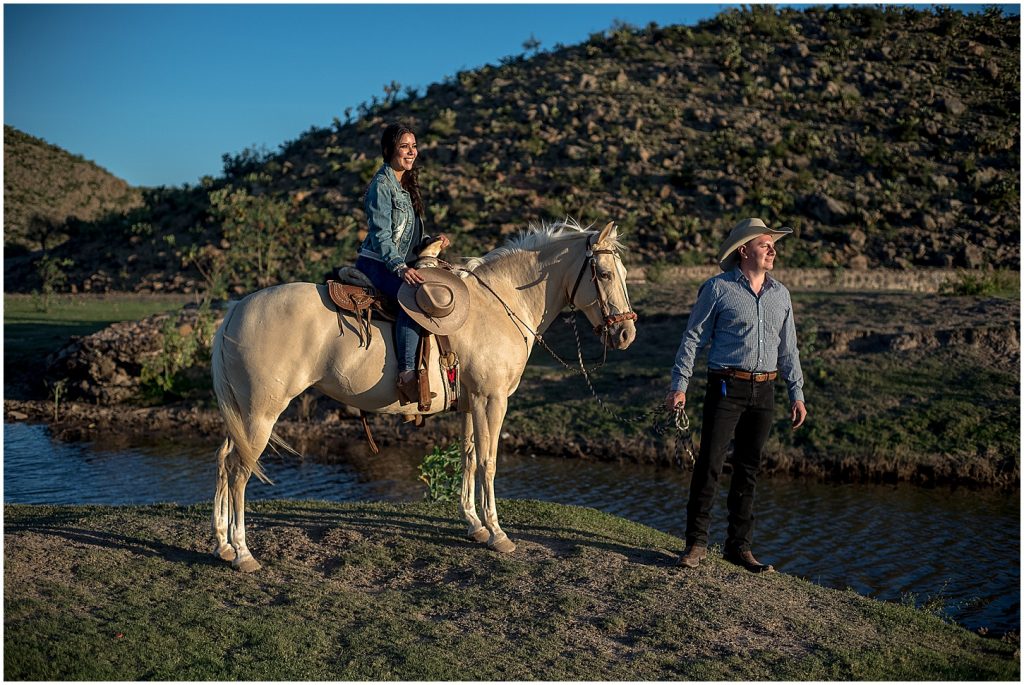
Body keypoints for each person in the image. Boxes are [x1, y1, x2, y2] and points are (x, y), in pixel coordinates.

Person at [665, 217, 808, 573]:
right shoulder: (717, 289)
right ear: (744, 251)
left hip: (766, 390)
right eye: (765, 244)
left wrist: (797, 392)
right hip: (726, 386)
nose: (773, 250)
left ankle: (738, 548)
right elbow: (692, 338)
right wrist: (679, 386)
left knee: (748, 469)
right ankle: (696, 544)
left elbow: (789, 348)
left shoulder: (781, 295)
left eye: (774, 245)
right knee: (710, 464)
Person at [355, 123, 449, 403]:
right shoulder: (381, 186)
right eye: (404, 146)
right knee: (412, 298)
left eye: (414, 146)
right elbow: (382, 235)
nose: (411, 152)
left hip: (397, 261)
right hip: (377, 263)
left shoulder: (404, 187)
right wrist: (399, 267)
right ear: (389, 150)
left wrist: (432, 241)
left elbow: (409, 238)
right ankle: (407, 374)